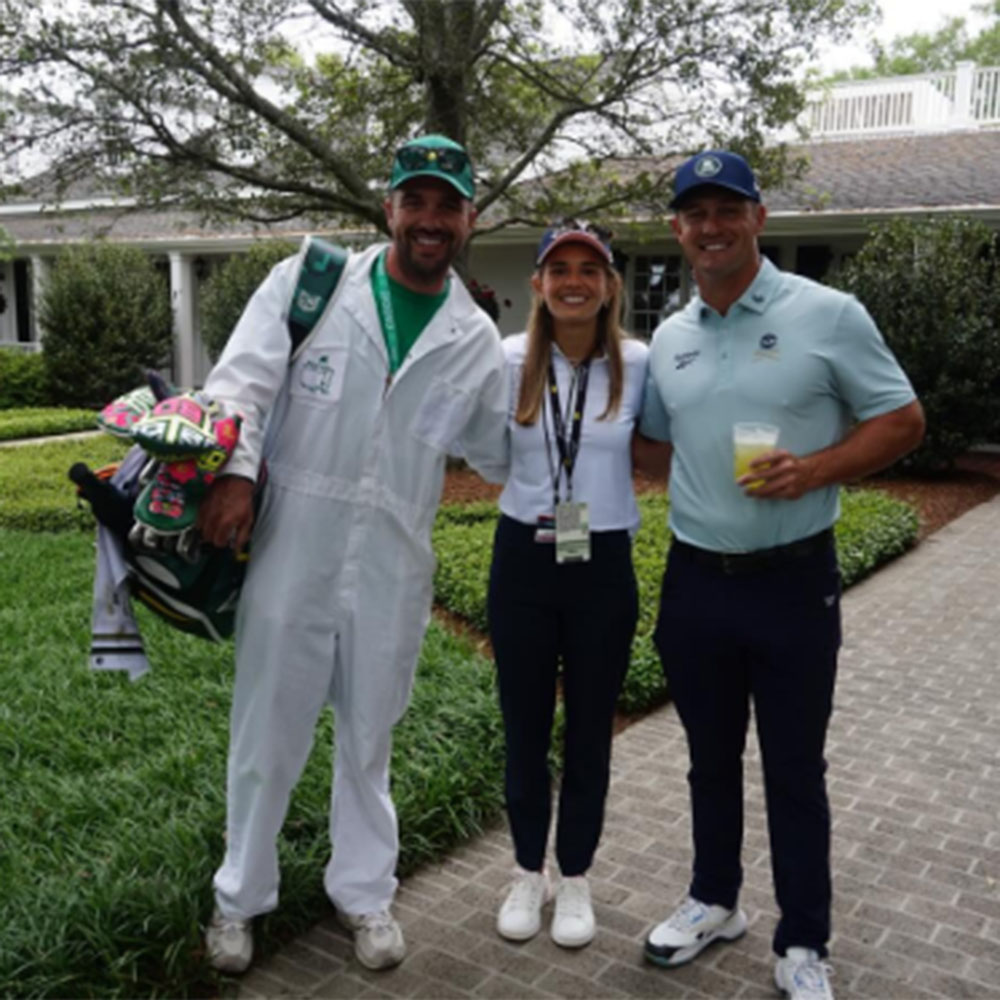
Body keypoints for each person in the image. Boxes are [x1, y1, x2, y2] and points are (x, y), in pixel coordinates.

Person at [196, 134, 509, 975]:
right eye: (416, 201)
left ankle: (364, 892)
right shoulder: (313, 282)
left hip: (393, 562)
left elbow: (499, 451)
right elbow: (240, 383)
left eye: (448, 205)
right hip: (293, 543)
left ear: (470, 219)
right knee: (266, 733)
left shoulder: (474, 338)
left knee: (371, 735)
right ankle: (239, 900)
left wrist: (568, 421)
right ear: (389, 208)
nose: (431, 219)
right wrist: (234, 473)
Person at [635, 151, 925, 1000]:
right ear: (678, 229)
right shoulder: (671, 339)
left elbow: (903, 419)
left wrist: (817, 469)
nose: (712, 227)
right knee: (708, 759)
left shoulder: (828, 314)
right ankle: (714, 900)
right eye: (696, 214)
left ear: (759, 218)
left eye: (728, 210)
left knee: (794, 769)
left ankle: (803, 940)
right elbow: (653, 445)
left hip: (795, 581)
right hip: (696, 580)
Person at [489, 221, 646, 949]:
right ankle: (529, 870)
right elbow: (483, 449)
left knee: (589, 729)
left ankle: (576, 873)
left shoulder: (638, 363)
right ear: (539, 284)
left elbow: (664, 443)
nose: (573, 282)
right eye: (560, 269)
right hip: (523, 555)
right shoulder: (507, 358)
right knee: (524, 726)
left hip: (602, 559)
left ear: (610, 285)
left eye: (589, 269)